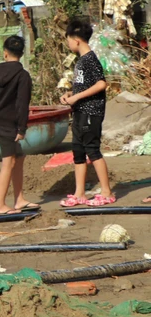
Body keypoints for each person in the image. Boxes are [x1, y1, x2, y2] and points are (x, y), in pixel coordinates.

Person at [60, 20, 115, 207]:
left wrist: (77, 97)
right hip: (79, 111)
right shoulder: (80, 61)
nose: (67, 44)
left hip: (91, 112)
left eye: (68, 40)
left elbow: (101, 84)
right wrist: (71, 95)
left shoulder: (90, 59)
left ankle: (107, 192)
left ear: (76, 40)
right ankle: (79, 193)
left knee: (92, 150)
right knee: (78, 151)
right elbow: (85, 85)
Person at [0, 36, 38, 214]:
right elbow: (22, 104)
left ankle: (19, 199)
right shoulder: (23, 76)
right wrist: (22, 128)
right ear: (22, 54)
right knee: (8, 162)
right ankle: (0, 205)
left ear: (5, 53)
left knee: (19, 158)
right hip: (10, 125)